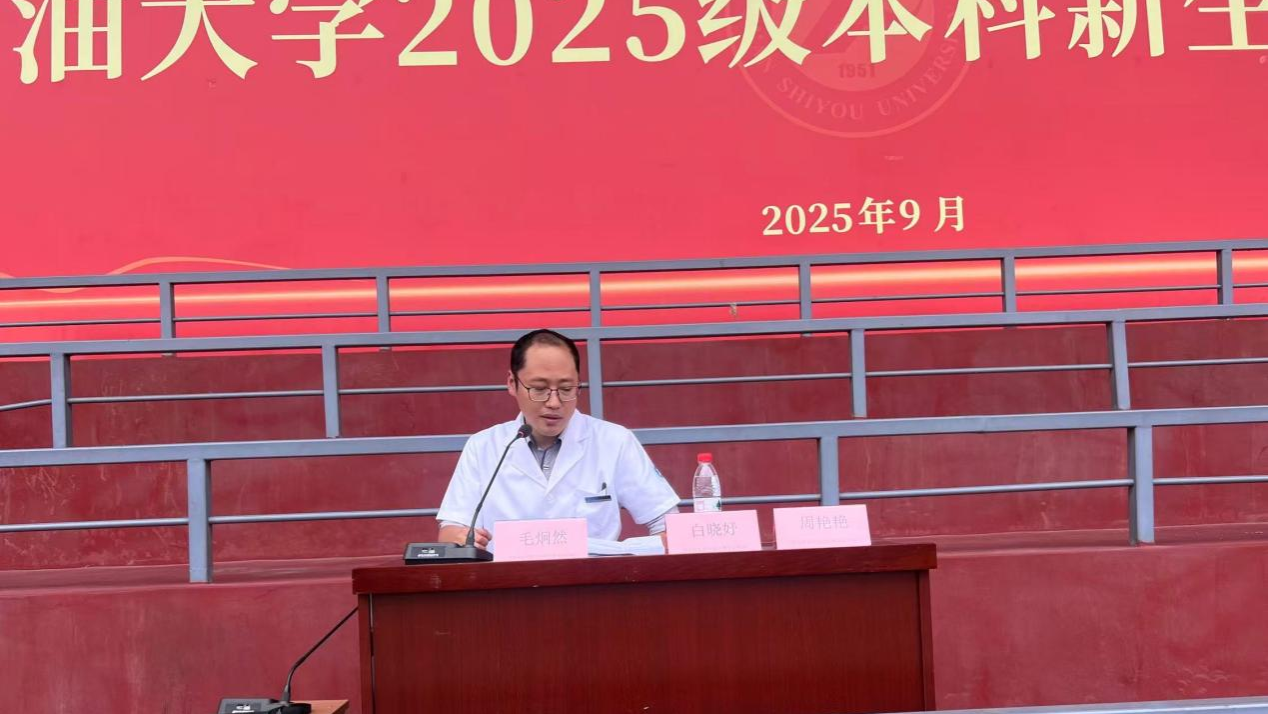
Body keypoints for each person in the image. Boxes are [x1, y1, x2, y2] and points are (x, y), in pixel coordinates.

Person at [436, 329, 680, 550]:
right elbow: (450, 531)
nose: (554, 403)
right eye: (539, 389)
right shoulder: (482, 447)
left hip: (593, 580)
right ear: (512, 383)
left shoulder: (614, 441)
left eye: (566, 389)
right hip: (508, 582)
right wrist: (462, 539)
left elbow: (669, 526)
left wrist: (627, 553)